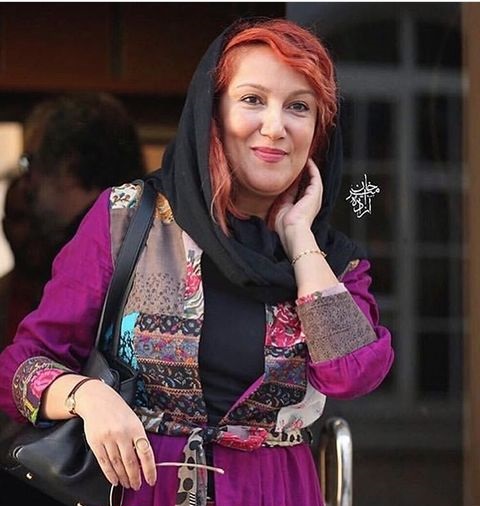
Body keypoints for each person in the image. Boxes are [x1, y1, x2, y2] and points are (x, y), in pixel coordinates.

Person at [0, 18, 394, 506]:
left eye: (299, 106)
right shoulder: (126, 220)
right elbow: (20, 369)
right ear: (213, 112)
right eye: (252, 99)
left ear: (318, 131)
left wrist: (299, 237)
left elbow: (352, 373)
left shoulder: (333, 263)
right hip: (147, 489)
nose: (275, 127)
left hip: (276, 493)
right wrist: (86, 396)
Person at [0, 92, 145, 503]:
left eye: (29, 164)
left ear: (67, 167)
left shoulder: (99, 241)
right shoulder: (154, 235)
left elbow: (16, 370)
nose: (27, 184)